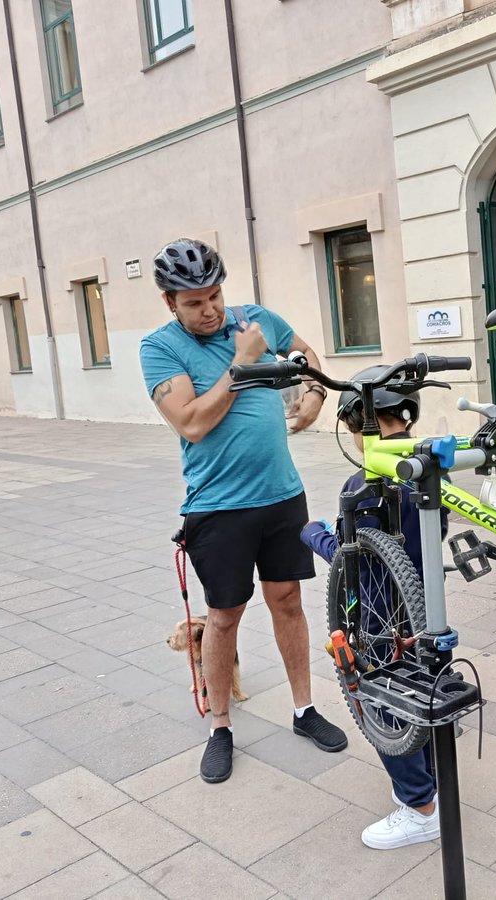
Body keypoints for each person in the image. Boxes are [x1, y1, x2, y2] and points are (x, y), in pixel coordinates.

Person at [139, 237, 347, 785]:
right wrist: (242, 362)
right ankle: (220, 726)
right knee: (225, 615)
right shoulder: (160, 349)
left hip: (282, 494)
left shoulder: (255, 319)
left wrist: (314, 391)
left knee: (288, 602)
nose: (209, 310)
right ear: (170, 304)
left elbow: (308, 357)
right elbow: (192, 422)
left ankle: (304, 710)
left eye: (214, 296)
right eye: (193, 302)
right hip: (217, 507)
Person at [300, 368, 442, 850]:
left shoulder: (362, 486)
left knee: (381, 701)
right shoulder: (427, 475)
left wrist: (313, 532)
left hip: (377, 619)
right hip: (423, 609)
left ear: (362, 426)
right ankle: (435, 777)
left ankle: (420, 806)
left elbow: (350, 555)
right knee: (426, 689)